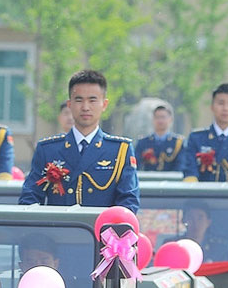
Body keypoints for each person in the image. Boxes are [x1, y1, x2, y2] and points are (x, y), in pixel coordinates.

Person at [18, 70, 140, 212]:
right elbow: (29, 199)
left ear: (104, 104)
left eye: (92, 100)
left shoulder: (120, 150)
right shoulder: (48, 149)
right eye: (79, 100)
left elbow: (128, 202)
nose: (85, 107)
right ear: (69, 104)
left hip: (102, 226)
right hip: (58, 225)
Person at [0, 233, 88, 288]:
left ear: (55, 264)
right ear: (22, 266)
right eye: (31, 261)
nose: (38, 266)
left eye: (44, 261)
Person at [134, 105, 186, 172]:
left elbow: (181, 166)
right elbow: (136, 165)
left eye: (163, 117)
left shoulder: (178, 143)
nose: (160, 120)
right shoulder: (143, 142)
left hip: (172, 178)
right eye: (157, 117)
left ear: (171, 119)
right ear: (153, 119)